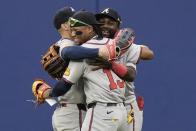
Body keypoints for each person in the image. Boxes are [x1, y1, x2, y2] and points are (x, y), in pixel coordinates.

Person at [38, 10, 138, 131]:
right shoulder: (113, 45)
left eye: (77, 30)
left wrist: (47, 93)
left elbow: (63, 86)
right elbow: (131, 75)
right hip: (122, 112)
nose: (73, 33)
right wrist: (111, 64)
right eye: (72, 29)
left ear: (90, 29)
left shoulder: (81, 53)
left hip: (101, 112)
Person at [48, 7, 117, 131]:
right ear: (64, 26)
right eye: (72, 19)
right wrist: (98, 52)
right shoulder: (69, 44)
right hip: (74, 112)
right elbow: (67, 52)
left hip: (68, 110)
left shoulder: (77, 44)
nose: (76, 20)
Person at [95, 8, 154, 131]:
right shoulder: (91, 43)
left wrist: (122, 50)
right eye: (101, 22)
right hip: (101, 105)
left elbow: (149, 54)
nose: (105, 26)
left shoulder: (125, 45)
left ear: (118, 26)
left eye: (110, 23)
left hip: (127, 104)